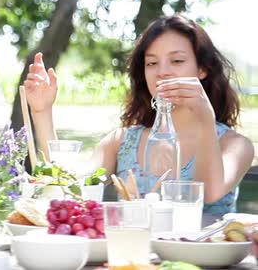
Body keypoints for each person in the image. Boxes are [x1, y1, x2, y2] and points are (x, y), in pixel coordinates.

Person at [25, 15, 254, 215]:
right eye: (152, 63)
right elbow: (68, 187)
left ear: (202, 69)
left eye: (177, 60)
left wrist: (205, 117)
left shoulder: (235, 145)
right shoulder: (121, 142)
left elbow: (210, 192)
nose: (162, 71)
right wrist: (42, 111)